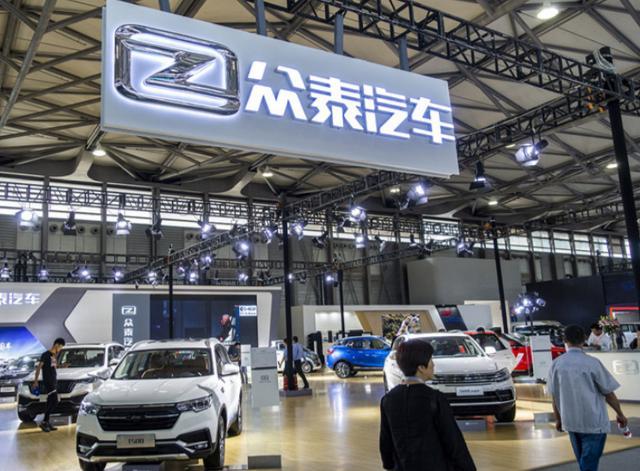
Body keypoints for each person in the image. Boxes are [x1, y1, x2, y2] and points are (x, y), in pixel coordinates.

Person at [379, 339, 476, 471]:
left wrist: (389, 464)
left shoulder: (388, 399)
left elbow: (385, 439)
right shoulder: (435, 399)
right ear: (421, 367)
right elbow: (453, 440)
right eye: (430, 360)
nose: (433, 364)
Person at [548, 325, 627, 471]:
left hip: (570, 421)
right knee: (589, 464)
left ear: (564, 340)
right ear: (584, 339)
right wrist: (620, 414)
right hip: (593, 422)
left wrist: (558, 419)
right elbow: (608, 393)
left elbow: (554, 395)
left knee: (584, 463)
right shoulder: (592, 363)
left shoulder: (556, 365)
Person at [32, 337, 66, 432]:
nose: (60, 349)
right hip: (48, 381)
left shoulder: (53, 355)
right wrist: (35, 381)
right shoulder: (45, 354)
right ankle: (44, 422)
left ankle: (46, 422)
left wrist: (62, 366)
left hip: (53, 381)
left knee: (50, 401)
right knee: (54, 401)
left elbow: (53, 367)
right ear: (56, 345)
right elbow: (39, 368)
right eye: (60, 347)